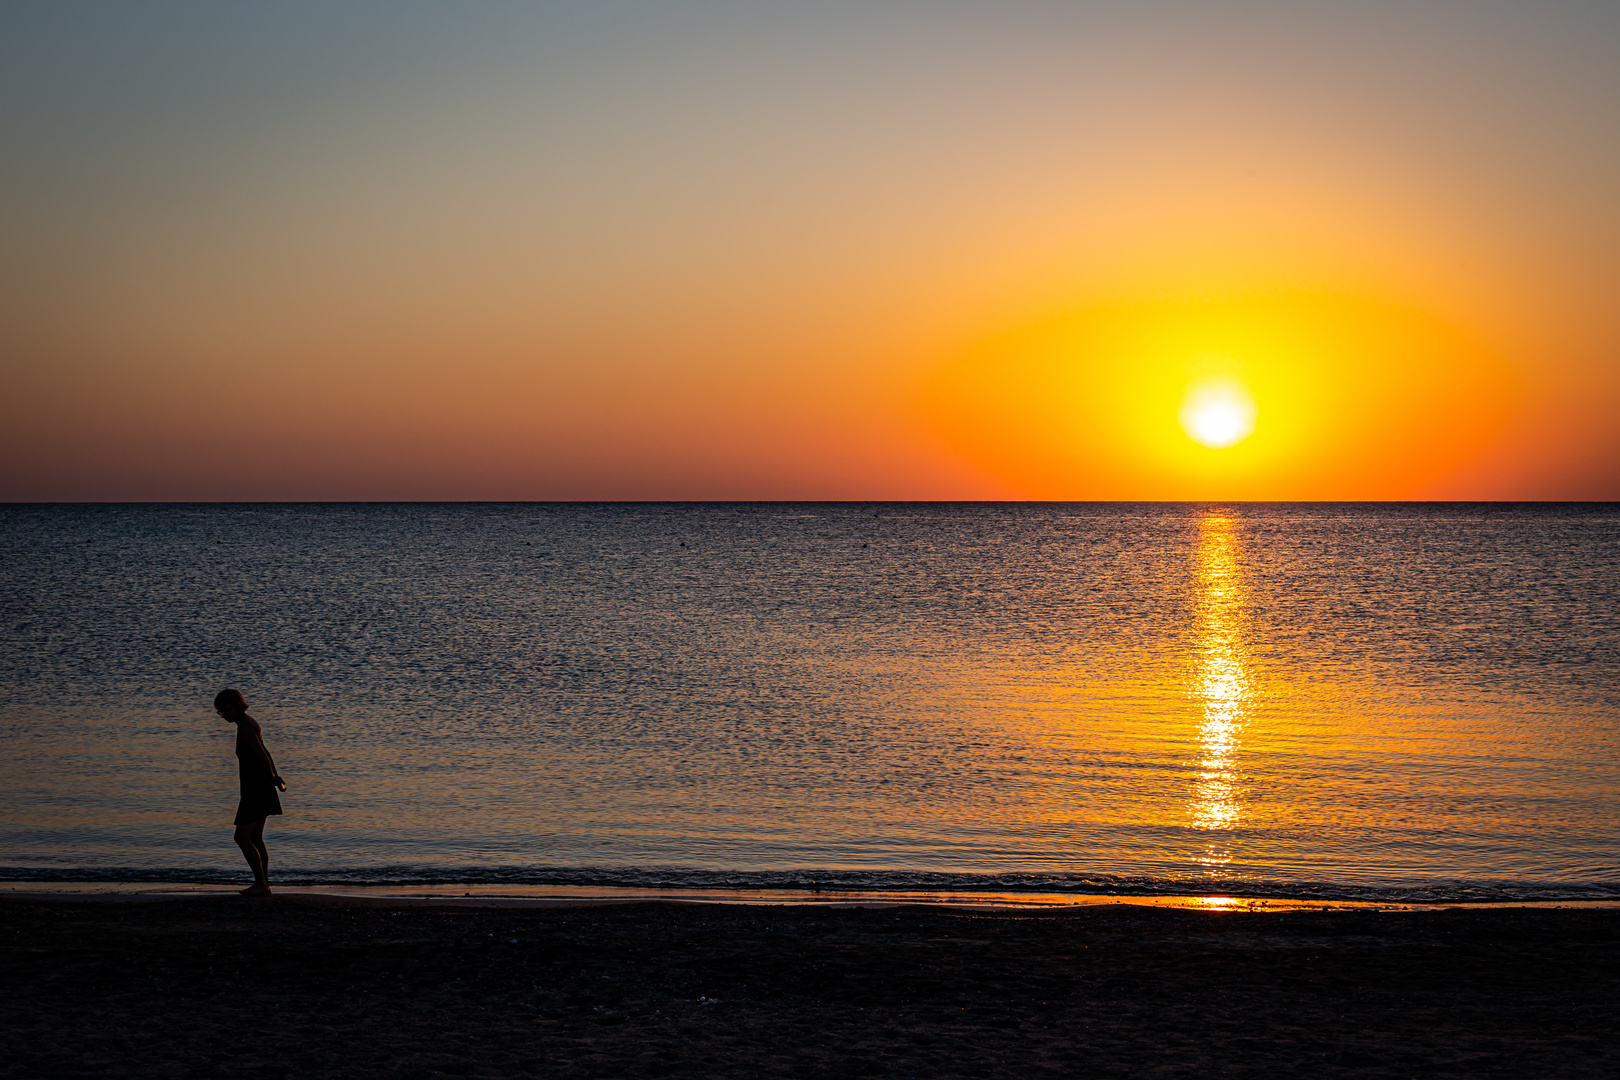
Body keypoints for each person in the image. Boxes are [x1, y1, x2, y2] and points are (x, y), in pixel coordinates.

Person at [214, 689, 283, 896]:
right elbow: (266, 752)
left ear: (236, 706)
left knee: (242, 837)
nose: (223, 715)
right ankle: (264, 884)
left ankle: (261, 884)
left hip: (256, 789)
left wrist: (272, 777)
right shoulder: (250, 722)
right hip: (261, 786)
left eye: (225, 710)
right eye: (220, 712)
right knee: (255, 837)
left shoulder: (244, 727)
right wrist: (275, 776)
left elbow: (261, 754)